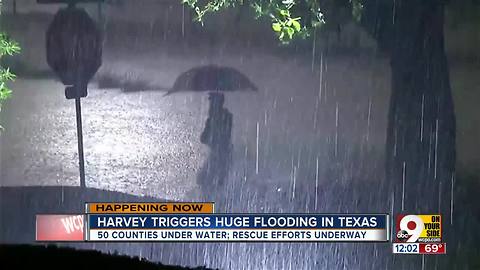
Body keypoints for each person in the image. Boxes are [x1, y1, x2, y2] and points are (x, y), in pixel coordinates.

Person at [197, 93, 233, 189]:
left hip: (220, 154)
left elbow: (204, 138)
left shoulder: (217, 118)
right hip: (222, 154)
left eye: (212, 102)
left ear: (217, 103)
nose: (210, 104)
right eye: (211, 102)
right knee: (211, 180)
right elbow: (204, 138)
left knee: (204, 180)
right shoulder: (224, 117)